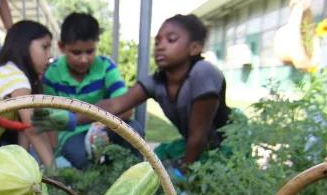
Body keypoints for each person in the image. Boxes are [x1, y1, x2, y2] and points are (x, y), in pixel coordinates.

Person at [96, 14, 230, 168]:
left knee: (168, 177)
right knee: (153, 164)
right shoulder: (157, 81)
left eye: (171, 39)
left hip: (224, 149)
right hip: (193, 144)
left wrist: (184, 174)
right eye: (157, 41)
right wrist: (71, 115)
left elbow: (198, 138)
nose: (160, 46)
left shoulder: (203, 73)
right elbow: (115, 105)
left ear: (195, 48)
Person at [38, 12, 137, 169]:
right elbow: (51, 119)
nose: (84, 59)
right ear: (61, 47)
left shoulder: (106, 67)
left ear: (97, 44)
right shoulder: (52, 74)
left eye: (90, 51)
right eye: (76, 52)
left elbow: (126, 107)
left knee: (135, 131)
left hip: (106, 126)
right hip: (71, 134)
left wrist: (98, 125)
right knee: (82, 158)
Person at [0, 20, 55, 167]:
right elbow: (33, 129)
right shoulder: (16, 79)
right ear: (24, 46)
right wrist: (55, 172)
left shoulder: (6, 70)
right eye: (44, 47)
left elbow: (24, 127)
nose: (49, 56)